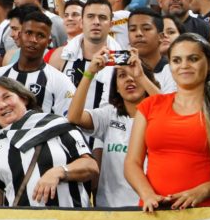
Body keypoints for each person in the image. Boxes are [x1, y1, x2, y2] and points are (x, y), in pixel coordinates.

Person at [124, 34, 210, 211]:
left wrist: (203, 191)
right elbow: (131, 163)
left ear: (208, 64)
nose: (184, 65)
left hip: (202, 214)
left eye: (193, 59)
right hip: (154, 213)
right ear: (170, 66)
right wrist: (148, 195)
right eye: (177, 60)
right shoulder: (150, 105)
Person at [0, 77, 97, 207]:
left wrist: (60, 171)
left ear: (23, 98)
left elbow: (91, 166)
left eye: (7, 97)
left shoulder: (59, 126)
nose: (2, 105)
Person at [68, 48, 159, 207]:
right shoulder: (109, 115)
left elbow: (166, 108)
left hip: (152, 205)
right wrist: (90, 72)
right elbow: (74, 117)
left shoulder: (160, 116)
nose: (130, 79)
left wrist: (141, 76)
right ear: (116, 87)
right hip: (111, 210)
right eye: (122, 76)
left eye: (133, 73)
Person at [0, 11, 76, 116]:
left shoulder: (60, 81)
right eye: (28, 33)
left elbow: (66, 123)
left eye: (40, 35)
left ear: (48, 41)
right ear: (19, 35)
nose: (33, 40)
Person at [49, 0, 117, 109]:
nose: (96, 22)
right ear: (81, 22)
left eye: (102, 17)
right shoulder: (59, 56)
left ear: (111, 25)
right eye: (90, 17)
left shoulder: (121, 60)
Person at [127, 8, 177, 92]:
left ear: (161, 37)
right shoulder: (120, 69)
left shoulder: (173, 70)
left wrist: (141, 77)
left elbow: (168, 105)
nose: (138, 34)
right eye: (132, 30)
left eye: (146, 29)